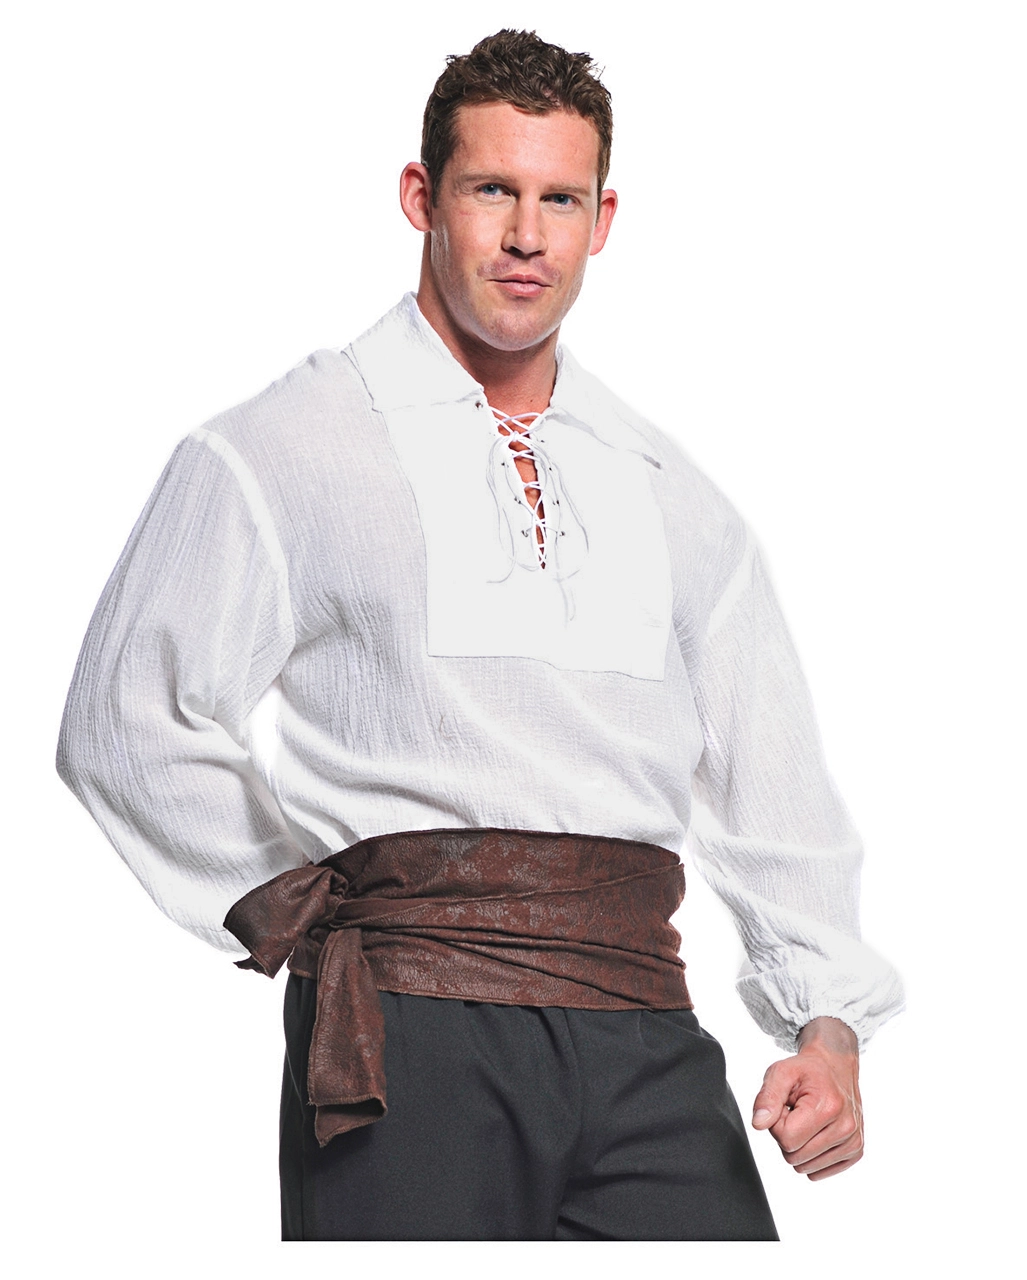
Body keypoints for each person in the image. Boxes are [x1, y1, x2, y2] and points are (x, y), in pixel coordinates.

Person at [56, 29, 903, 1241]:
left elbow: (773, 793)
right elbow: (126, 714)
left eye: (559, 199)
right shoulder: (286, 446)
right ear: (422, 196)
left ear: (602, 220)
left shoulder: (671, 492)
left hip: (644, 1031)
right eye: (492, 189)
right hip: (406, 1027)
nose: (525, 235)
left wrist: (827, 1027)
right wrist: (297, 905)